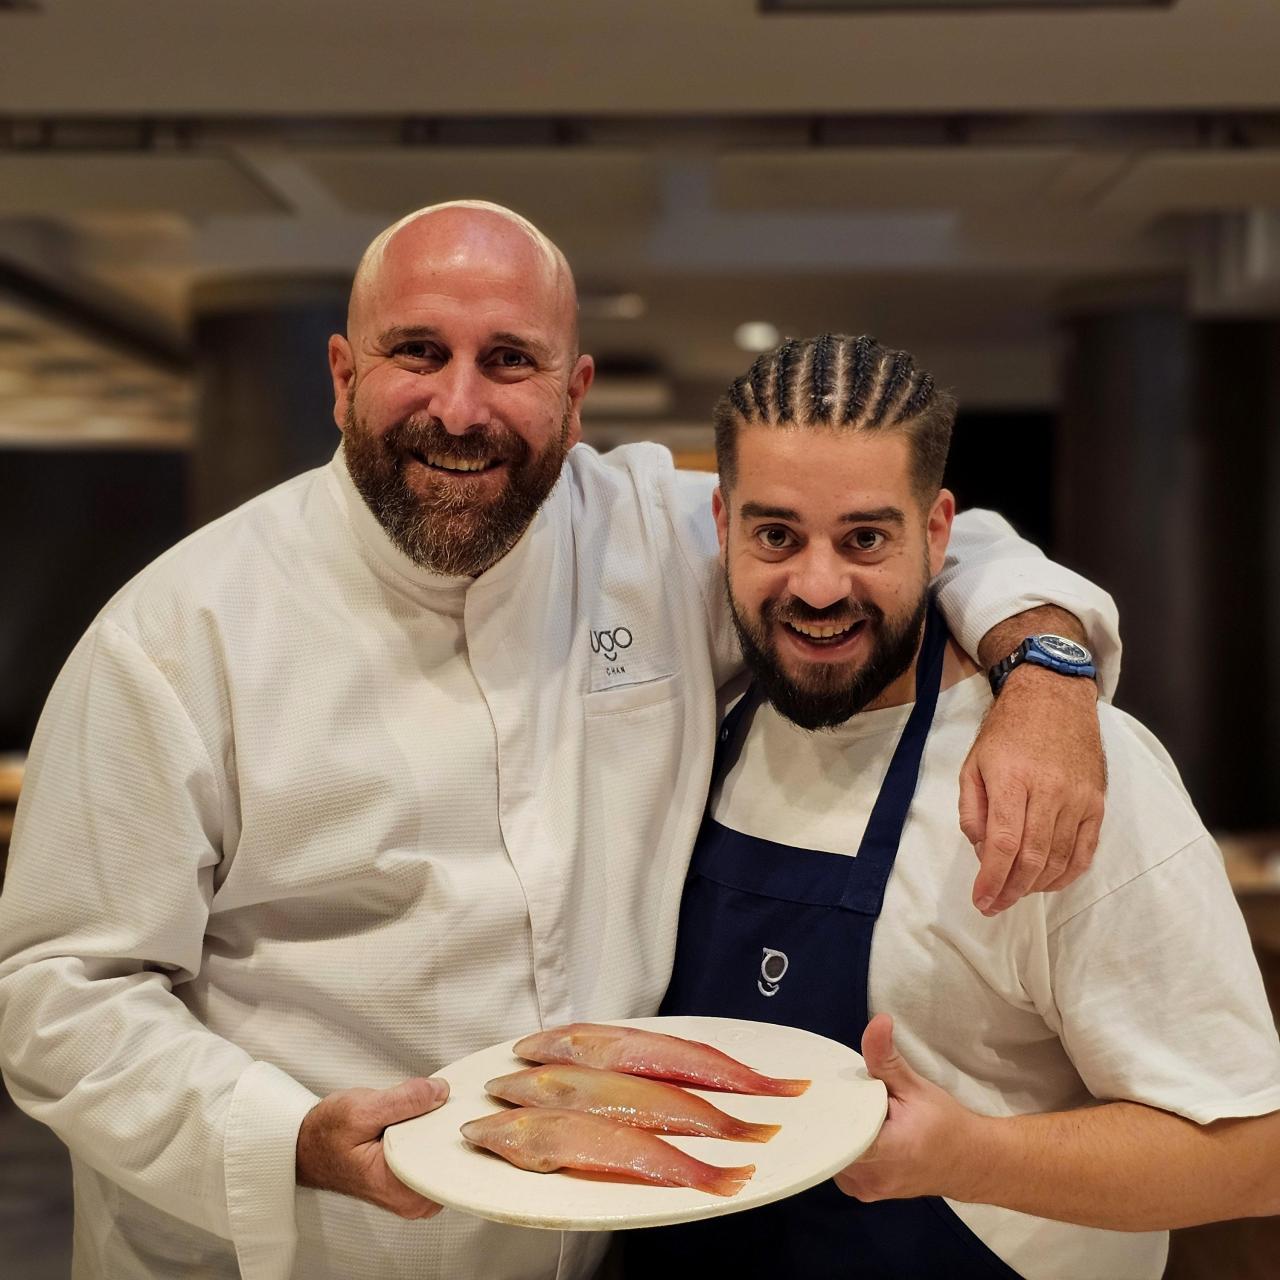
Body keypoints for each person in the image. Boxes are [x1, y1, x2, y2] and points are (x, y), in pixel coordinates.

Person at [0, 205, 1119, 1280]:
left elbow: (933, 535)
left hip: (590, 1248)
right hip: (283, 1251)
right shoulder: (179, 633)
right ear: (342, 377)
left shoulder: (644, 533)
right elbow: (58, 992)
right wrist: (286, 1137)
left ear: (575, 395)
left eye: (509, 361)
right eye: (417, 352)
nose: (459, 406)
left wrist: (1045, 679)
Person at [630, 333, 1280, 1280]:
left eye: (865, 539)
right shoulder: (711, 720)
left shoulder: (1069, 773)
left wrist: (972, 1157)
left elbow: (1254, 1154)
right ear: (724, 525)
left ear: (938, 533)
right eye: (777, 537)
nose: (818, 587)